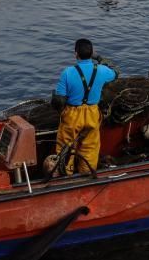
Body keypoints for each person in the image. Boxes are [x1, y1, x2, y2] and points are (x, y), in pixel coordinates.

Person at [51, 39, 119, 174]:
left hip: (72, 115)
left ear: (75, 53)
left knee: (65, 148)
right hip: (93, 113)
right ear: (92, 53)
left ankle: (65, 175)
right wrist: (98, 57)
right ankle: (87, 174)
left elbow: (59, 101)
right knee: (90, 148)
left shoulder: (67, 72)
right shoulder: (102, 70)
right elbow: (116, 71)